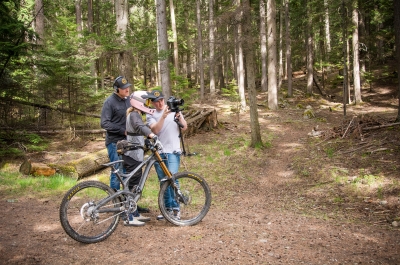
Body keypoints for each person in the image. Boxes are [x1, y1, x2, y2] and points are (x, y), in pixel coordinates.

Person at [142, 90, 187, 220]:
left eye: (161, 100)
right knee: (163, 181)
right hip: (159, 151)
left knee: (172, 178)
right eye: (156, 102)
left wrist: (179, 116)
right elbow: (155, 129)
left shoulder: (173, 109)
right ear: (152, 102)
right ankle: (166, 209)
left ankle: (176, 209)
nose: (160, 103)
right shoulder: (151, 114)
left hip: (173, 150)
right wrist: (163, 116)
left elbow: (184, 127)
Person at [119, 91, 157, 226]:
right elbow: (139, 127)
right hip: (133, 156)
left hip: (135, 154)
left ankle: (134, 213)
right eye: (146, 102)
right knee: (133, 185)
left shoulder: (135, 114)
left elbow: (139, 129)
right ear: (139, 102)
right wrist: (151, 135)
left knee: (135, 184)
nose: (148, 104)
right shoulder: (134, 114)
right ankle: (129, 217)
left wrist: (146, 138)